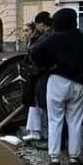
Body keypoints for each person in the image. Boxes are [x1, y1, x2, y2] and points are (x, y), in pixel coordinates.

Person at [30, 8, 83, 165]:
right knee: (75, 122)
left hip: (57, 80)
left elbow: (35, 52)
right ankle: (74, 157)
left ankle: (55, 157)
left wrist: (47, 65)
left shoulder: (54, 38)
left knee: (55, 120)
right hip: (79, 82)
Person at [22, 11, 53, 142]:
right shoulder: (40, 38)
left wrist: (34, 70)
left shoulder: (43, 38)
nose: (25, 33)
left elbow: (35, 56)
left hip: (41, 75)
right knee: (36, 102)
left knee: (39, 103)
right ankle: (39, 131)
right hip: (39, 74)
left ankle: (40, 132)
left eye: (26, 30)